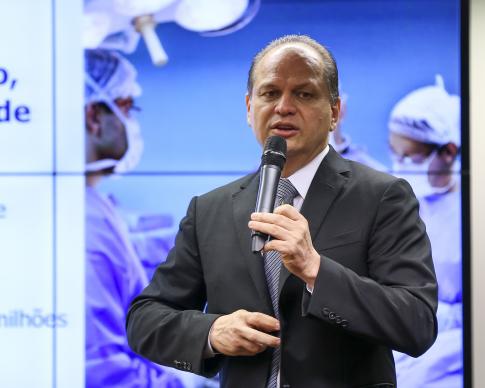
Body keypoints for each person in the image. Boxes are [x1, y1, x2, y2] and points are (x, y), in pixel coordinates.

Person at [126, 35, 438, 388]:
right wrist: (212, 332)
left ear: (334, 112)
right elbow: (145, 319)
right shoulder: (208, 210)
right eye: (270, 93)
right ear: (249, 107)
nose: (283, 107)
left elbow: (417, 323)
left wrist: (316, 271)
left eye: (303, 94)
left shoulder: (383, 197)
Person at [84, 49, 200, 388]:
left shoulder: (94, 207)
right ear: (93, 117)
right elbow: (100, 370)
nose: (132, 124)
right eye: (127, 109)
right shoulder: (84, 222)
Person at [388, 75, 463, 387]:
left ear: (447, 151)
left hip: (455, 346)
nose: (401, 164)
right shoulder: (404, 200)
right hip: (406, 330)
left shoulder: (468, 210)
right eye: (395, 153)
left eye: (412, 156)